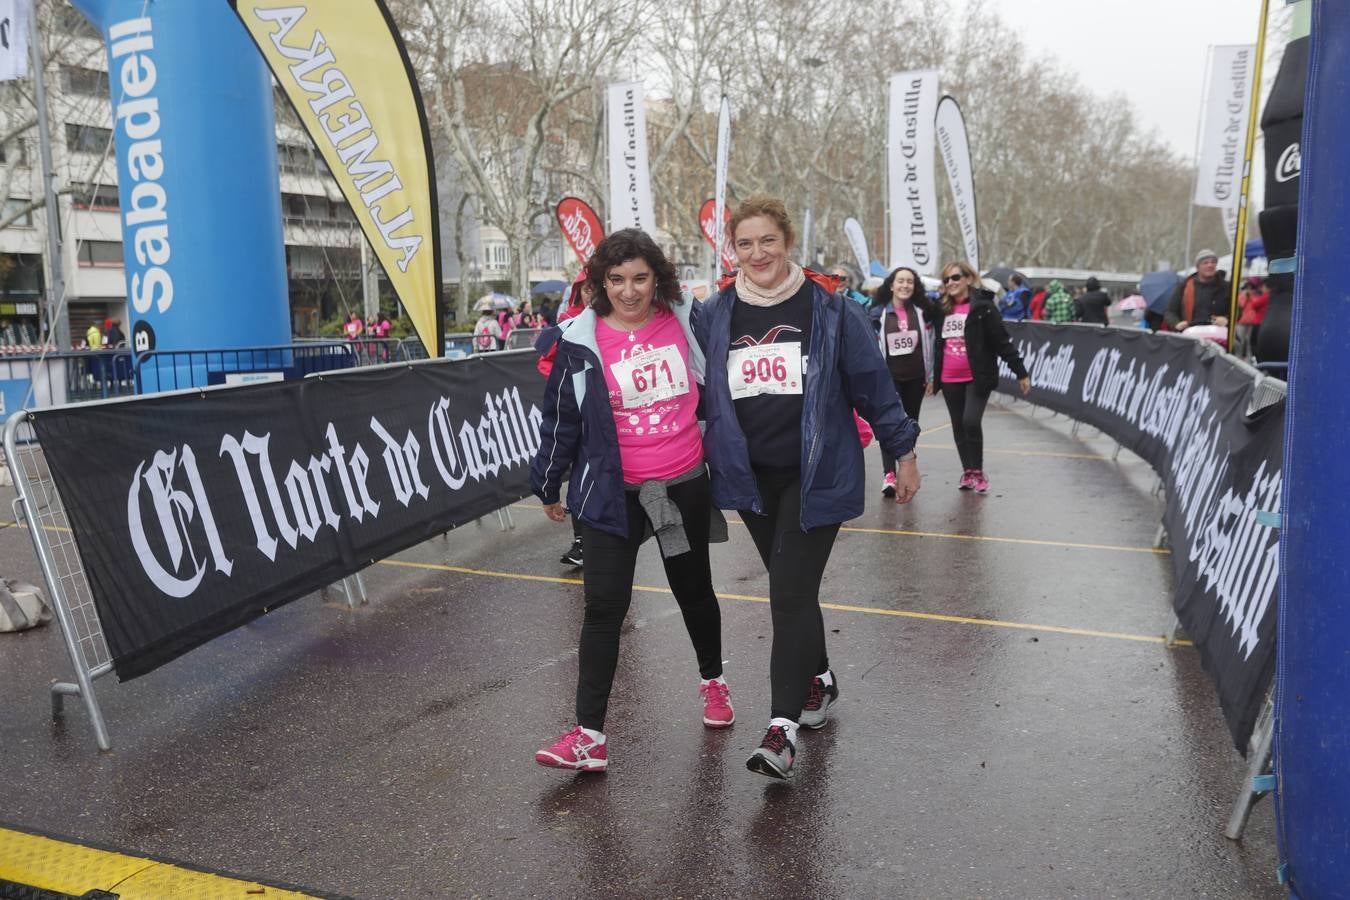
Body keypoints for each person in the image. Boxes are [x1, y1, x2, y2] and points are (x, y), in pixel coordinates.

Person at [696, 196, 921, 780]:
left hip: (816, 473)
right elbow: (698, 394)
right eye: (744, 244)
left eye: (767, 240)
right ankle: (819, 678)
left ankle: (782, 728)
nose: (757, 253)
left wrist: (904, 449)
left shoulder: (830, 308)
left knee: (788, 593)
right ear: (732, 250)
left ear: (787, 241)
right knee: (790, 585)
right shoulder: (715, 313)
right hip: (752, 477)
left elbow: (873, 385)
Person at [530, 228, 731, 772]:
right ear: (600, 282)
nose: (629, 290)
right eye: (616, 279)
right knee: (602, 608)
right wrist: (549, 483)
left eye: (640, 277)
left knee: (693, 591)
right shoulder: (578, 341)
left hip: (677, 488)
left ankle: (713, 681)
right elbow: (560, 418)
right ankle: (590, 737)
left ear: (657, 278)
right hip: (611, 495)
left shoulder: (687, 320)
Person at [928, 260, 1032, 494]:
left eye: (955, 277)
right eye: (946, 280)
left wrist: (1021, 372)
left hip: (977, 376)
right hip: (948, 377)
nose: (951, 283)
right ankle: (968, 471)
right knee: (958, 425)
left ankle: (978, 470)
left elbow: (1001, 341)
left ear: (967, 278)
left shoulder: (983, 306)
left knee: (970, 421)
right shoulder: (941, 309)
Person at [536, 269, 595, 568]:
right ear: (578, 291)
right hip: (578, 414)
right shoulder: (568, 323)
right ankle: (582, 541)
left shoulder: (622, 318)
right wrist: (566, 381)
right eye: (586, 288)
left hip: (612, 417)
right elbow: (546, 362)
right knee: (580, 471)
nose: (591, 293)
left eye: (596, 287)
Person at [870, 266, 935, 497]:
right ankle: (889, 474)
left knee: (911, 424)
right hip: (890, 379)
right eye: (901, 281)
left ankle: (905, 469)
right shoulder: (878, 312)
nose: (905, 285)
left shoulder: (922, 312)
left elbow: (930, 345)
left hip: (915, 378)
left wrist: (930, 377)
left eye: (910, 281)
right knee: (890, 424)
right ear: (891, 285)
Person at [1165, 249, 1231, 332]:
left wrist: (1227, 320)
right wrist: (1176, 323)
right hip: (1190, 335)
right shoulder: (1184, 286)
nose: (1210, 265)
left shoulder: (1226, 287)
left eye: (1213, 262)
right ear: (1198, 267)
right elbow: (1170, 311)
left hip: (1218, 337)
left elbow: (1238, 312)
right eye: (1205, 263)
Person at [1235, 277, 1269, 360]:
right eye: (1248, 287)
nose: (1250, 289)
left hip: (1253, 321)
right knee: (1240, 340)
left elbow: (1255, 304)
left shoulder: (1260, 295)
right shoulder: (1244, 294)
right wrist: (1245, 296)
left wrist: (1250, 297)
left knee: (1249, 341)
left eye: (1251, 287)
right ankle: (1238, 357)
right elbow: (1241, 305)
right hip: (1243, 321)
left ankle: (1249, 357)